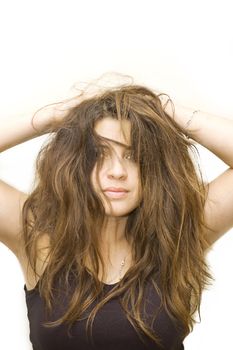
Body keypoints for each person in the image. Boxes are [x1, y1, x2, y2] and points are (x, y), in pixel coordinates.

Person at [0, 77, 233, 350]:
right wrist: (51, 118)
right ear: (77, 164)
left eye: (133, 156)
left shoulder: (180, 233)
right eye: (99, 153)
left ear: (153, 168)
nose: (117, 171)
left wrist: (166, 112)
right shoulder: (37, 236)